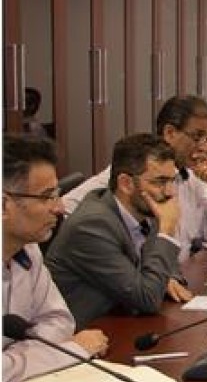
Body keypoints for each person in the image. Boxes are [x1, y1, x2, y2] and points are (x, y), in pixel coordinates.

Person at [62, 95, 207, 258]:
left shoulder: (191, 176)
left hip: (178, 274)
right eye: (197, 137)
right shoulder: (134, 173)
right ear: (170, 133)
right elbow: (65, 208)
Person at [45, 135, 193, 329]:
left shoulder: (145, 208)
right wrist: (166, 231)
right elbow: (147, 298)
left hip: (124, 321)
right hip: (86, 334)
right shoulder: (92, 225)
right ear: (125, 183)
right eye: (160, 182)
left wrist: (167, 278)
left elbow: (168, 266)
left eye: (172, 181)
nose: (170, 192)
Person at [3, 136, 108, 382]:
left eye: (57, 195)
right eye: (47, 197)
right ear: (4, 205)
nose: (60, 208)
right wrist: (71, 351)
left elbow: (60, 321)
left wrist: (15, 359)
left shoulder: (28, 249)